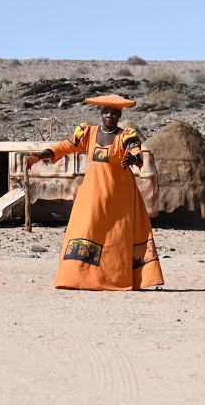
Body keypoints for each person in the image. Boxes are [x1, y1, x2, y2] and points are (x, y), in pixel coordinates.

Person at [23, 94, 164, 291]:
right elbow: (64, 147)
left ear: (119, 116)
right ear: (101, 113)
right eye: (106, 112)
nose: (110, 116)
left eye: (114, 113)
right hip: (93, 191)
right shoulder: (87, 133)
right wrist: (39, 156)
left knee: (117, 235)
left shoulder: (126, 135)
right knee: (85, 228)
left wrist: (131, 159)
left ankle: (116, 279)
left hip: (120, 195)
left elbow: (135, 150)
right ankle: (78, 278)